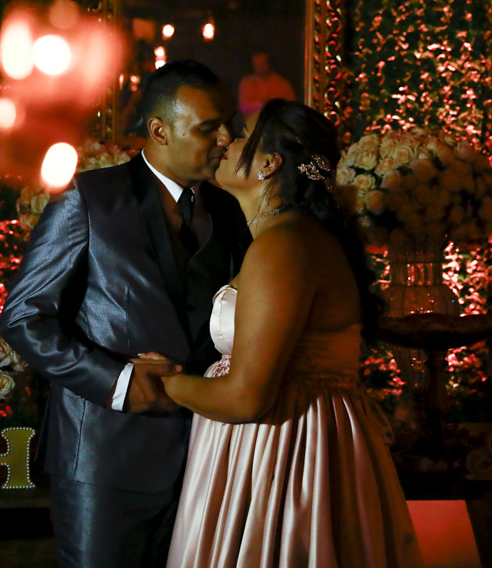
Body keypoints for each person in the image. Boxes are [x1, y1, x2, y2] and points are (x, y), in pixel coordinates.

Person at [0, 60, 251, 568]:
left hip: (207, 459)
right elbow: (24, 317)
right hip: (104, 462)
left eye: (228, 124)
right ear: (159, 130)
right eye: (209, 127)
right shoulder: (88, 199)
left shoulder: (231, 210)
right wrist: (116, 382)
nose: (227, 137)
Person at [155, 99, 422, 568]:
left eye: (241, 135)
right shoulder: (292, 238)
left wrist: (164, 382)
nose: (225, 140)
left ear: (269, 163)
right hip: (289, 442)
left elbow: (247, 399)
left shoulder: (283, 246)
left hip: (283, 455)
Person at [237, 52, 295, 117]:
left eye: (262, 65)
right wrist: (260, 104)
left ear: (269, 64)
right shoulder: (246, 83)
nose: (259, 69)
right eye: (256, 65)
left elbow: (292, 109)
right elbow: (243, 108)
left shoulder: (282, 84)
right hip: (253, 122)